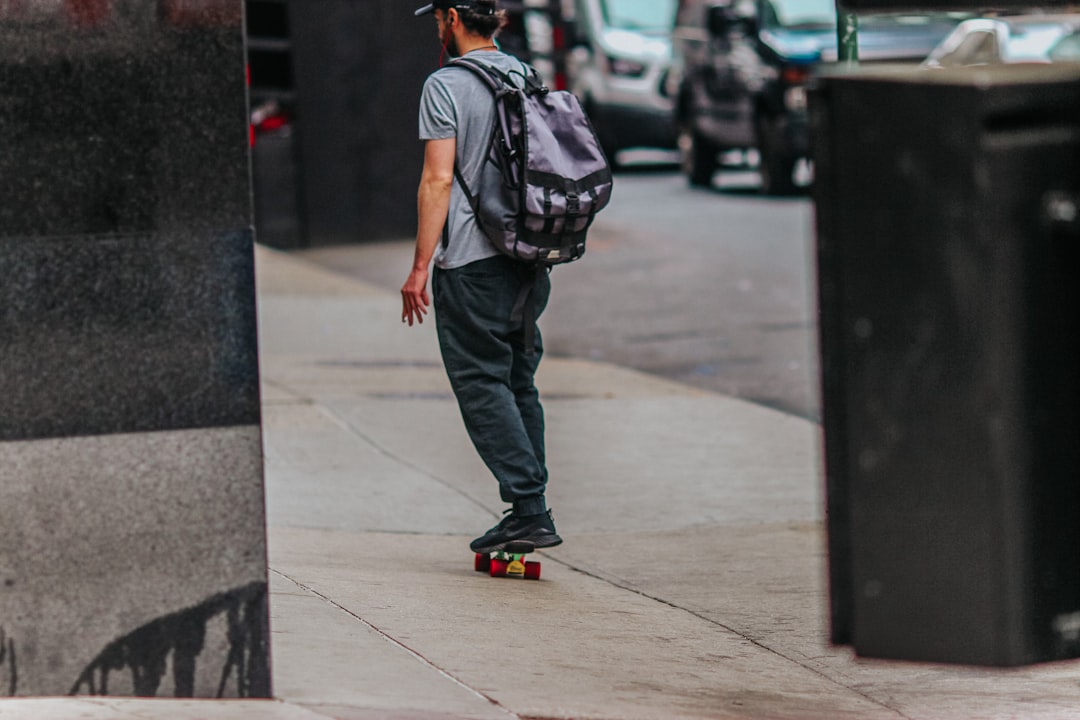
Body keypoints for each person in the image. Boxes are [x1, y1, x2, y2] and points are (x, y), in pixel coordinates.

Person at [402, 0, 562, 554]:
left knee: (479, 380)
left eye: (438, 18)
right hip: (527, 254)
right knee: (518, 378)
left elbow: (437, 181)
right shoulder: (523, 73)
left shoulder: (444, 84)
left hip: (471, 262)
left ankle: (527, 506)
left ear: (450, 17)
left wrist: (421, 266)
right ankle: (532, 506)